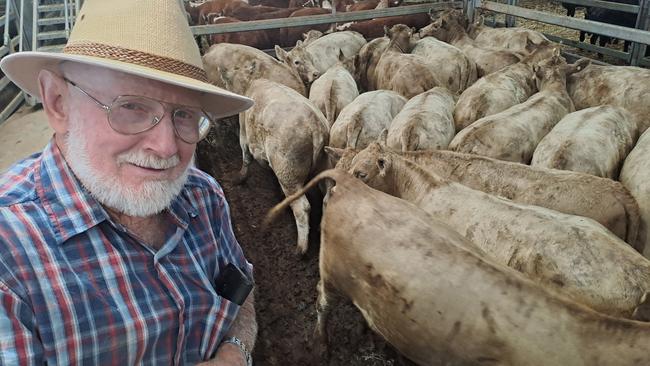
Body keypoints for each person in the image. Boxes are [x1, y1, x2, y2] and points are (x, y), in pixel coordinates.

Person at [0, 0, 257, 365]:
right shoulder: (8, 259)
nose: (167, 147)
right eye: (132, 106)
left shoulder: (204, 197)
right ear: (58, 103)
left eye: (184, 114)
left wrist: (235, 352)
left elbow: (241, 290)